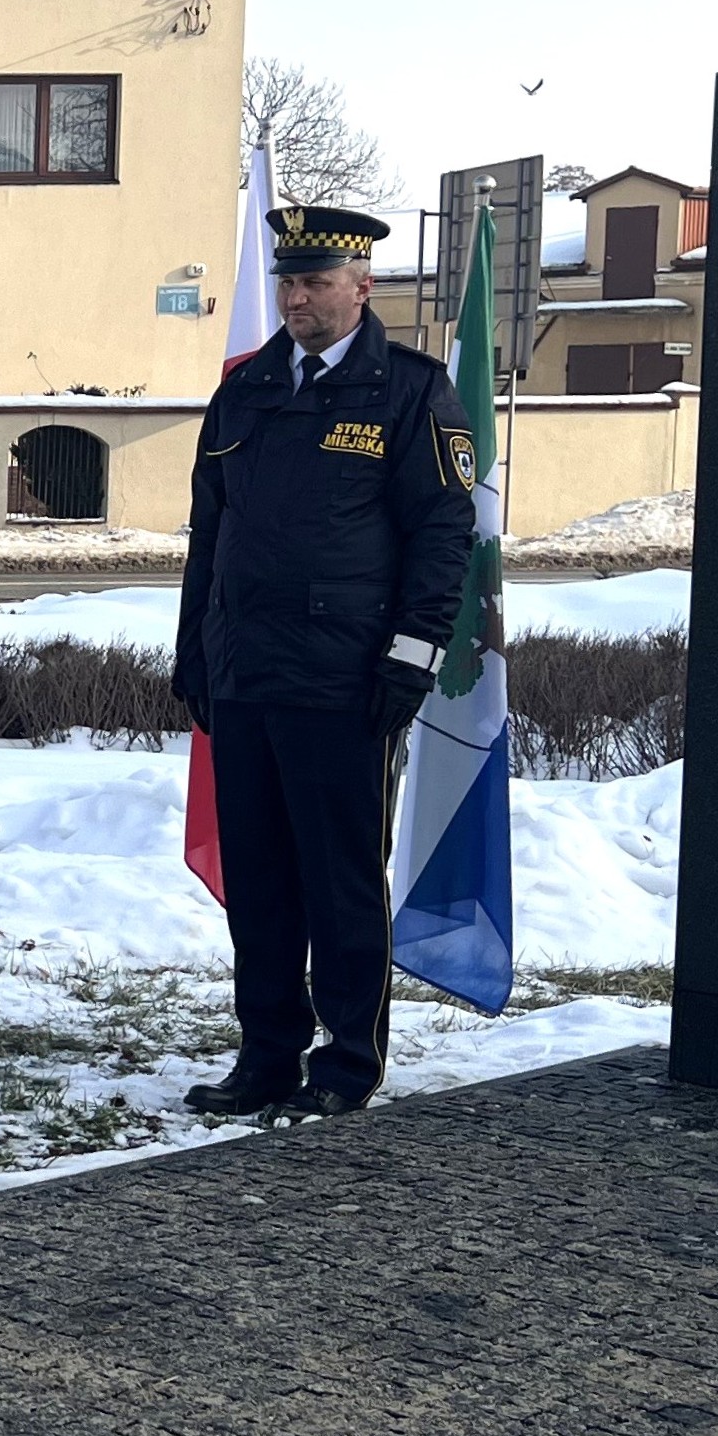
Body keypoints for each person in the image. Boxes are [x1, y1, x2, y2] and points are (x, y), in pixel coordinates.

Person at [172, 206, 478, 1126]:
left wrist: (410, 660)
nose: (297, 299)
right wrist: (195, 652)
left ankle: (347, 1062)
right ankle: (266, 1054)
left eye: (316, 282)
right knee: (259, 882)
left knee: (340, 882)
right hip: (246, 675)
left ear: (361, 287)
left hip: (345, 681)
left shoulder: (409, 392)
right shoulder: (247, 390)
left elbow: (443, 537)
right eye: (288, 283)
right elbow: (210, 535)